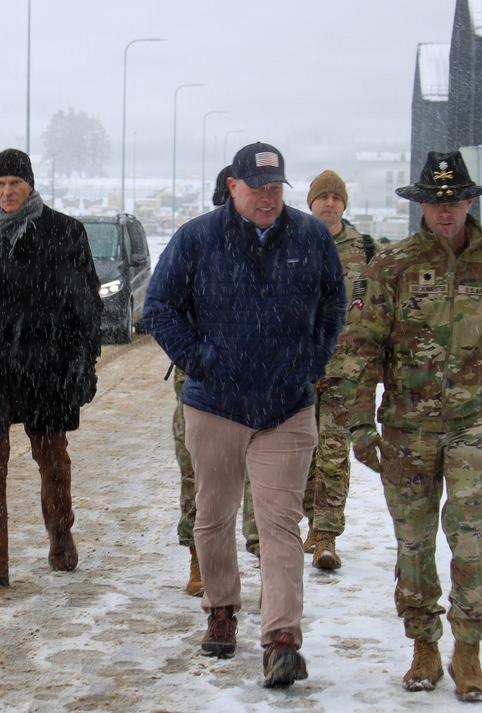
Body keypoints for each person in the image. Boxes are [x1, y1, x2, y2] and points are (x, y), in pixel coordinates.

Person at [335, 151, 482, 701]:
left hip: (472, 425)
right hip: (407, 428)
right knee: (413, 541)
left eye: (453, 201)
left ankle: (468, 649)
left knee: (472, 536)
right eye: (434, 202)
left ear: (469, 201)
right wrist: (360, 424)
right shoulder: (393, 266)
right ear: (421, 205)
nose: (444, 211)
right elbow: (361, 347)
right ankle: (423, 644)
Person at [144, 142, 347, 688]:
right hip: (215, 406)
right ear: (233, 187)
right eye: (257, 188)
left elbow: (335, 303)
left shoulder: (311, 238)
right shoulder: (197, 238)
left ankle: (282, 640)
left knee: (280, 524)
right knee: (213, 517)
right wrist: (200, 360)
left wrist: (312, 361)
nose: (267, 198)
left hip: (286, 408)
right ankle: (221, 610)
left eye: (275, 188)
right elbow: (158, 307)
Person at [0, 148, 102, 593]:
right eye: (0, 184)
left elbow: (86, 305)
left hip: (45, 367)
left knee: (53, 462)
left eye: (15, 183)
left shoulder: (64, 232)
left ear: (30, 185)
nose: (7, 192)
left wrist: (84, 361)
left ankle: (61, 533)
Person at [174, 165, 259, 598]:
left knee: (261, 479)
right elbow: (165, 307)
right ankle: (200, 559)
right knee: (198, 472)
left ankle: (265, 558)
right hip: (201, 382)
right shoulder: (194, 244)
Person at [303, 170, 380, 572]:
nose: (329, 203)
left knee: (333, 454)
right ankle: (311, 520)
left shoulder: (367, 251)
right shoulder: (292, 244)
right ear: (311, 203)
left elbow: (384, 308)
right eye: (323, 197)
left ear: (344, 204)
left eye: (336, 197)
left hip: (346, 373)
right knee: (302, 455)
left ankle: (326, 535)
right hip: (298, 373)